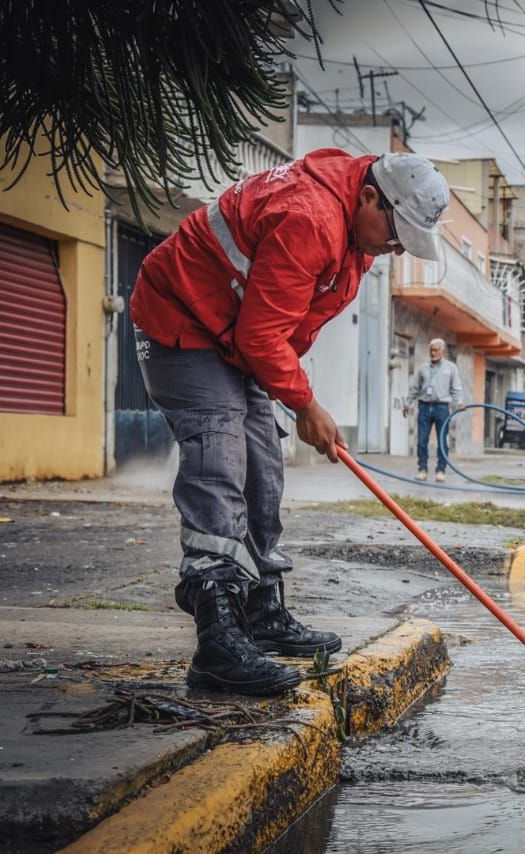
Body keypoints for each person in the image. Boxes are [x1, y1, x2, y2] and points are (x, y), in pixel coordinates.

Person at [130, 149, 450, 695]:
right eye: (395, 233)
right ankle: (217, 641)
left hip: (234, 340)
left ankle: (261, 612)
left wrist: (291, 395)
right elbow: (261, 334)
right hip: (182, 322)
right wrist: (305, 404)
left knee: (263, 465)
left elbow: (281, 325)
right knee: (219, 457)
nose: (395, 247)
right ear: (369, 196)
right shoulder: (311, 218)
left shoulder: (356, 235)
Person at [404, 338, 463, 481]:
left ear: (443, 351)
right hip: (424, 407)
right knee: (422, 440)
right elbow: (415, 388)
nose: (433, 353)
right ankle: (422, 469)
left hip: (441, 408)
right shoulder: (423, 368)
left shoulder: (450, 368)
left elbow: (456, 387)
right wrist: (408, 403)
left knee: (442, 441)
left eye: (436, 350)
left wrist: (459, 402)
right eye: (431, 350)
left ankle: (441, 471)